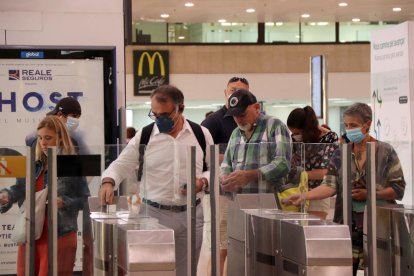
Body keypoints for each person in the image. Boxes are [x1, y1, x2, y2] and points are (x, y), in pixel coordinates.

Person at [99, 85, 213, 276]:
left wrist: (203, 182)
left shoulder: (200, 134)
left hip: (192, 214)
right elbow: (121, 164)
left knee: (187, 271)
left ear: (180, 108)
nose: (160, 120)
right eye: (155, 114)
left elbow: (215, 170)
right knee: (152, 270)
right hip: (153, 214)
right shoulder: (144, 136)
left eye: (165, 115)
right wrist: (108, 181)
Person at [284, 103, 405, 276]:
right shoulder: (341, 153)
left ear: (367, 124)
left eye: (353, 126)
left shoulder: (385, 152)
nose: (349, 130)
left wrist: (371, 194)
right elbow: (329, 185)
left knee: (380, 268)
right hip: (347, 224)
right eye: (346, 125)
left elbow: (398, 188)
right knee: (345, 268)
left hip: (379, 226)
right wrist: (303, 196)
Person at [0, 116, 90, 276]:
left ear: (61, 138)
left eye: (48, 138)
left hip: (59, 234)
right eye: (40, 137)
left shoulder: (72, 164)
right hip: (30, 232)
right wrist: (7, 196)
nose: (43, 142)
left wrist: (65, 202)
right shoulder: (32, 163)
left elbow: (85, 200)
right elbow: (19, 189)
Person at [201, 77, 249, 276]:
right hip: (222, 191)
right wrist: (230, 156)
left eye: (241, 91)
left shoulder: (254, 121)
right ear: (225, 92)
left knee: (241, 245)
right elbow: (202, 153)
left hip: (247, 190)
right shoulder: (214, 120)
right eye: (233, 89)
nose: (236, 94)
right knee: (221, 244)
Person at [286, 106, 339, 219]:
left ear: (306, 129)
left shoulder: (329, 139)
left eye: (297, 133)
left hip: (318, 193)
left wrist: (302, 175)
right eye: (293, 133)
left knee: (313, 230)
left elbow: (328, 172)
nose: (295, 136)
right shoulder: (295, 140)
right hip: (295, 190)